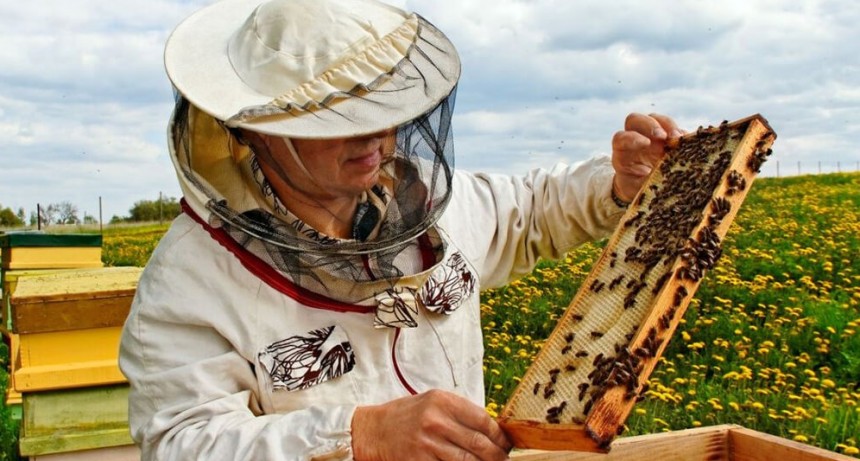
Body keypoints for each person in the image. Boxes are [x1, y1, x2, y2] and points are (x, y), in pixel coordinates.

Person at [118, 0, 683, 459]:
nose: (374, 136)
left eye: (378, 103)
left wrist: (619, 184)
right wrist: (359, 436)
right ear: (254, 130)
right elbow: (182, 443)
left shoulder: (428, 201)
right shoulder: (188, 282)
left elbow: (531, 210)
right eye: (335, 118)